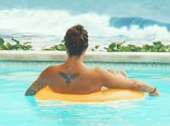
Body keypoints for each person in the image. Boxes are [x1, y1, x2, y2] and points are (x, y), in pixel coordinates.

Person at [24, 24, 160, 97]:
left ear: (65, 46)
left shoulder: (49, 73)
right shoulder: (97, 75)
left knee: (113, 75)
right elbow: (135, 85)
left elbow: (30, 93)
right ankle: (117, 76)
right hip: (89, 118)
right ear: (86, 47)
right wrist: (153, 90)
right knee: (116, 75)